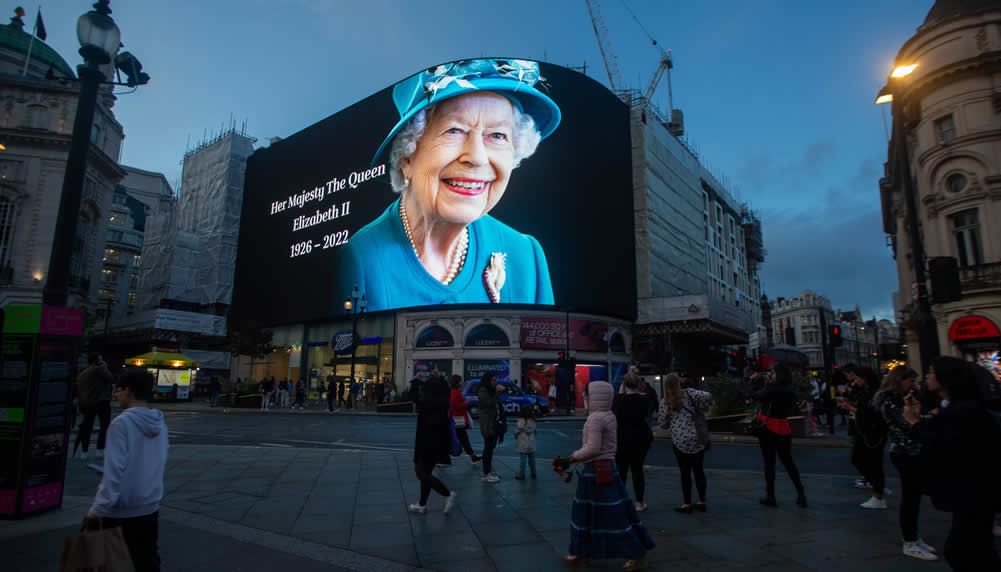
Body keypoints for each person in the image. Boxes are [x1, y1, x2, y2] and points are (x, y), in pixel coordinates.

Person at [337, 59, 561, 312]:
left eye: (497, 135)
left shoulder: (525, 257)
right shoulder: (361, 259)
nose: (476, 157)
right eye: (454, 130)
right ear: (406, 156)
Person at [907, 357, 1001, 570]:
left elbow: (945, 445)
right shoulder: (957, 407)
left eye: (931, 372)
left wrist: (915, 423)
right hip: (974, 492)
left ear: (945, 379)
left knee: (963, 550)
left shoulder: (964, 410)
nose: (927, 377)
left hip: (974, 491)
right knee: (972, 549)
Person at [565, 381, 654, 570]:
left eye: (587, 393)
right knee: (611, 512)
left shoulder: (595, 419)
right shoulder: (609, 415)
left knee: (594, 514)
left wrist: (574, 456)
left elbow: (593, 448)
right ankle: (581, 552)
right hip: (606, 469)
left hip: (596, 472)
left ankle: (635, 554)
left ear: (594, 396)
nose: (585, 397)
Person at [85, 369, 167, 572]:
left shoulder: (121, 424)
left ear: (128, 391)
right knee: (147, 562)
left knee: (110, 564)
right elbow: (154, 464)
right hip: (149, 507)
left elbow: (114, 473)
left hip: (121, 509)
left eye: (118, 390)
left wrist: (97, 510)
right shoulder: (160, 424)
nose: (116, 395)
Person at [875, 365, 938, 561]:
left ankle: (913, 537)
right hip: (904, 452)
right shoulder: (889, 400)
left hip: (912, 451)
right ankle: (909, 541)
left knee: (914, 497)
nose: (912, 385)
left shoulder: (901, 398)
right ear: (900, 380)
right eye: (910, 381)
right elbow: (907, 422)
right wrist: (930, 415)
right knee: (910, 498)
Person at [753, 363, 807, 508]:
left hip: (768, 426)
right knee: (788, 462)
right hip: (783, 426)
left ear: (778, 374)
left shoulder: (771, 387)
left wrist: (759, 381)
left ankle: (771, 496)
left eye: (774, 372)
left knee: (769, 463)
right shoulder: (790, 389)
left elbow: (756, 395)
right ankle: (801, 494)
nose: (772, 374)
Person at [658, 373, 712, 513]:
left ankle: (687, 503)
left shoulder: (665, 401)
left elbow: (662, 424)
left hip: (679, 440)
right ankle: (701, 501)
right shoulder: (690, 393)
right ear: (679, 383)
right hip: (696, 438)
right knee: (699, 470)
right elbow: (708, 396)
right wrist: (702, 408)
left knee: (685, 472)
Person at [408, 370, 457, 514]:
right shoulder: (443, 399)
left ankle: (447, 494)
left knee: (420, 473)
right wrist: (440, 376)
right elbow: (445, 388)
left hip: (425, 442)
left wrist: (415, 381)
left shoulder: (428, 401)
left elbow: (414, 396)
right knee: (427, 473)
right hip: (438, 443)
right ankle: (422, 504)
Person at [842, 367, 888, 510]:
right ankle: (877, 486)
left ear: (865, 379)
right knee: (861, 459)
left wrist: (851, 408)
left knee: (870, 461)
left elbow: (869, 412)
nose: (855, 381)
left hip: (872, 432)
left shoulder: (875, 394)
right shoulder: (864, 392)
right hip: (864, 430)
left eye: (857, 379)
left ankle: (878, 492)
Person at [614, 368, 655, 512]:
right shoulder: (644, 400)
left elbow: (615, 413)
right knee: (637, 470)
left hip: (622, 439)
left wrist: (621, 392)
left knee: (621, 471)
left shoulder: (618, 400)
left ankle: (621, 500)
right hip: (640, 438)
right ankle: (639, 502)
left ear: (624, 385)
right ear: (638, 384)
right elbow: (646, 415)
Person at [73, 353, 114, 461]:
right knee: (104, 426)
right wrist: (105, 367)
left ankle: (84, 451)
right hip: (101, 401)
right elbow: (110, 378)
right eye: (101, 359)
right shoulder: (98, 370)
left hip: (88, 403)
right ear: (97, 361)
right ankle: (100, 450)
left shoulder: (83, 373)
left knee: (87, 426)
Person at [477, 372, 506, 483]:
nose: (495, 382)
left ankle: (488, 471)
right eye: (493, 380)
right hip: (487, 424)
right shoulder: (483, 390)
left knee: (490, 448)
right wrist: (497, 393)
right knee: (488, 449)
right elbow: (489, 403)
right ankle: (485, 474)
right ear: (487, 380)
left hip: (493, 423)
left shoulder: (490, 390)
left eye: (495, 380)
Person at [448, 375, 481, 464]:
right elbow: (455, 406)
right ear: (457, 383)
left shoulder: (455, 392)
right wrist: (465, 402)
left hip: (458, 418)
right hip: (458, 418)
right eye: (460, 381)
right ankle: (472, 456)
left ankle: (472, 456)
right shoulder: (456, 392)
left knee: (461, 438)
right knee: (463, 438)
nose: (462, 383)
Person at [514, 406, 537, 480]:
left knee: (523, 460)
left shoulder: (520, 420)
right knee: (532, 459)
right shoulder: (533, 420)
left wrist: (516, 434)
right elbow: (534, 430)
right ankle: (533, 473)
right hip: (531, 442)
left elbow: (518, 430)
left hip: (522, 442)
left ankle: (522, 475)